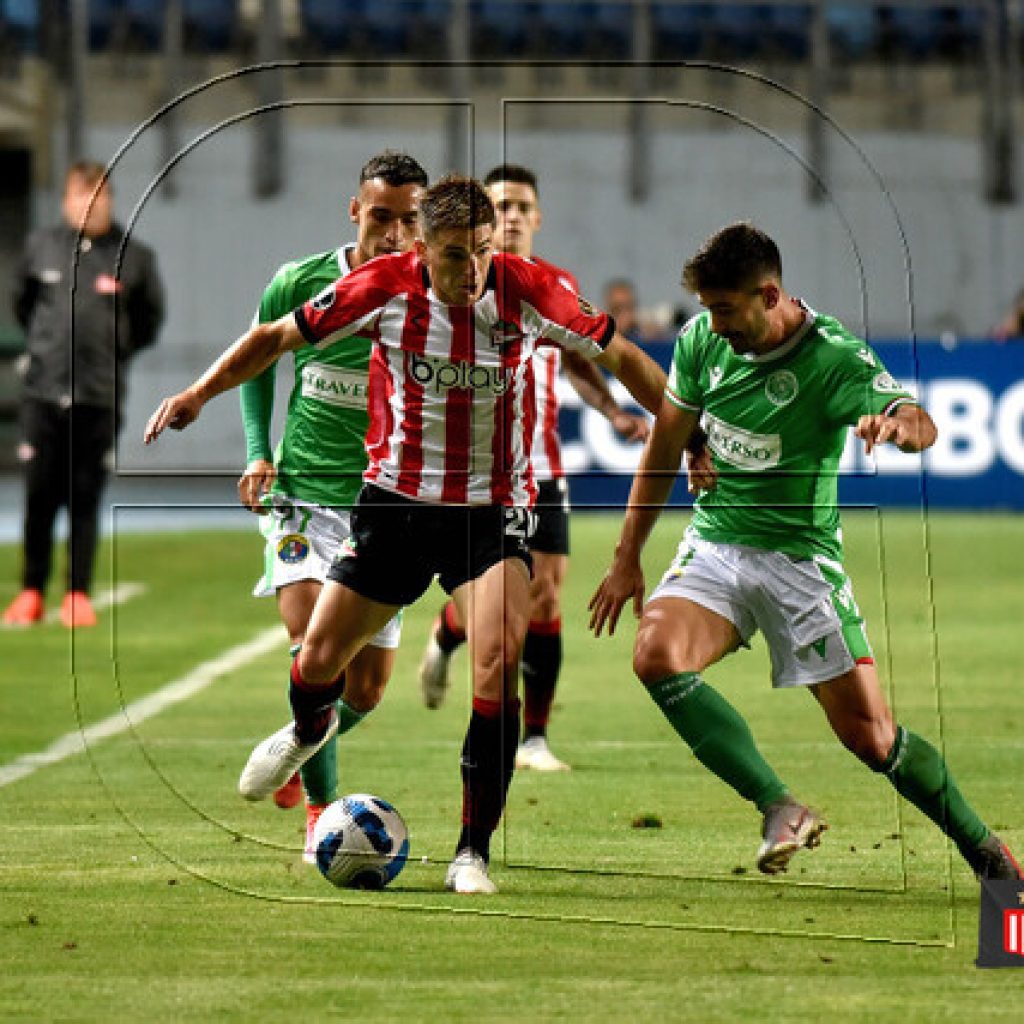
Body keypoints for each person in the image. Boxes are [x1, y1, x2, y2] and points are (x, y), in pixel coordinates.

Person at [144, 175, 667, 894]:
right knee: (321, 657)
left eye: (483, 252)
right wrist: (198, 394)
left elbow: (621, 355)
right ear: (422, 249)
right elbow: (273, 338)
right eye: (456, 255)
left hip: (491, 513)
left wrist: (685, 430)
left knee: (495, 662)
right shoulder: (381, 287)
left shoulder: (530, 288)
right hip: (394, 507)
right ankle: (303, 734)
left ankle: (471, 853)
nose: (473, 270)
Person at [589, 222, 1022, 881]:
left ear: (769, 295)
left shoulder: (833, 358)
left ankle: (985, 851)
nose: (716, 324)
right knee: (655, 654)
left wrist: (899, 428)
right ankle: (779, 806)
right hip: (717, 546)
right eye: (709, 309)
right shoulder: (704, 341)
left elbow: (918, 420)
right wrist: (627, 557)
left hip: (800, 565)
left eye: (727, 310)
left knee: (873, 740)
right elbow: (663, 447)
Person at [417, 163, 650, 774]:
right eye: (504, 205)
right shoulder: (451, 282)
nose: (514, 214)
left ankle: (535, 739)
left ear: (537, 217)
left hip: (541, 468)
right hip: (471, 473)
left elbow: (579, 360)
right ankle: (448, 633)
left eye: (523, 205)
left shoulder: (552, 284)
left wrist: (611, 410)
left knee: (546, 600)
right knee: (498, 609)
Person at [236, 151, 428, 858]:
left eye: (410, 219)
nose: (394, 232)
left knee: (368, 689)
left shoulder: (428, 297)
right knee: (313, 639)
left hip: (382, 508)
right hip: (300, 499)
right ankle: (320, 810)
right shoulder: (302, 280)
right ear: (356, 211)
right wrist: (259, 451)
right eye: (381, 216)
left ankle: (303, 738)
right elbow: (258, 361)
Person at [3, 160, 164, 628]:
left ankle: (77, 593)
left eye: (98, 197)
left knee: (85, 495)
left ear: (109, 201)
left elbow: (148, 321)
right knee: (38, 495)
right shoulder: (41, 247)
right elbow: (23, 305)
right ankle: (31, 590)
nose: (88, 205)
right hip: (42, 394)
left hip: (98, 396)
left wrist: (111, 354)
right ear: (66, 200)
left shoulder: (133, 257)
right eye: (79, 196)